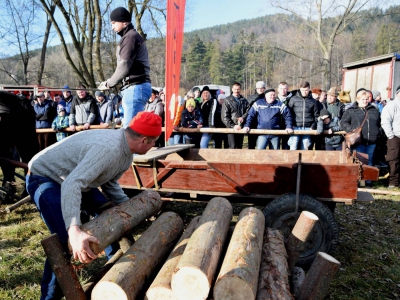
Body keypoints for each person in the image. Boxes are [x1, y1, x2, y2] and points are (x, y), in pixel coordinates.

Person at [26, 111, 162, 300]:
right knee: (65, 243)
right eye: (154, 141)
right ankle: (49, 297)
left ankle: (118, 274)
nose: (155, 145)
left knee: (112, 217)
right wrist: (74, 230)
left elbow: (109, 182)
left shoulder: (125, 154)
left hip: (74, 178)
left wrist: (130, 208)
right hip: (46, 177)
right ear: (144, 141)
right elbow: (72, 184)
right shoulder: (109, 149)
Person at [99, 7, 151, 128]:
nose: (112, 27)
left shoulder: (130, 37)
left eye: (113, 23)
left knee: (130, 130)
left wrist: (109, 83)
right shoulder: (130, 37)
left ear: (124, 22)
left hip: (135, 87)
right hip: (135, 87)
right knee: (133, 129)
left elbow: (124, 66)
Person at [341, 90, 381, 187]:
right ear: (358, 99)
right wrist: (352, 130)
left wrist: (379, 132)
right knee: (359, 160)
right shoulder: (351, 111)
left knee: (370, 160)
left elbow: (379, 123)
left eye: (367, 99)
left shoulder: (374, 110)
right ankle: (358, 181)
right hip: (359, 141)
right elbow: (343, 123)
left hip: (372, 140)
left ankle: (368, 181)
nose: (365, 101)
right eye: (363, 99)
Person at [287, 81, 319, 150]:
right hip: (295, 126)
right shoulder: (293, 99)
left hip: (308, 127)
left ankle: (303, 160)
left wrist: (313, 125)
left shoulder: (313, 101)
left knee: (305, 146)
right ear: (300, 89)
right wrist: (290, 124)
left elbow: (316, 115)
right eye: (303, 90)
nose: (304, 92)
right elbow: (288, 113)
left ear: (309, 89)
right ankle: (292, 160)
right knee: (294, 144)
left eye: (306, 90)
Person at [381, 85, 400, 188]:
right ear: (397, 93)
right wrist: (391, 136)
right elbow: (385, 121)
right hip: (395, 136)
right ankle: (393, 182)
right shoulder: (392, 105)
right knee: (394, 160)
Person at [221, 82, 249, 149]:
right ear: (232, 89)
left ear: (240, 89)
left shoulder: (244, 100)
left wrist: (243, 117)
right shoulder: (227, 100)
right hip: (231, 128)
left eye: (238, 89)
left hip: (240, 127)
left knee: (239, 147)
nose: (236, 91)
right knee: (232, 147)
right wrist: (233, 126)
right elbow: (224, 117)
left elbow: (248, 111)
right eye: (235, 89)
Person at [243, 81, 266, 149]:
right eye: (258, 88)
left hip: (263, 123)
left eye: (262, 88)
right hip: (253, 123)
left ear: (264, 88)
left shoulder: (267, 97)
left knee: (262, 143)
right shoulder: (251, 98)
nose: (260, 89)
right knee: (251, 143)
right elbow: (247, 111)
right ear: (256, 89)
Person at [276, 81, 293, 149]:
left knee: (286, 147)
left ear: (288, 89)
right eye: (281, 88)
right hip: (276, 126)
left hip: (288, 126)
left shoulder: (292, 99)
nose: (283, 90)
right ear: (278, 89)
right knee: (275, 147)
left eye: (285, 88)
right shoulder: (274, 100)